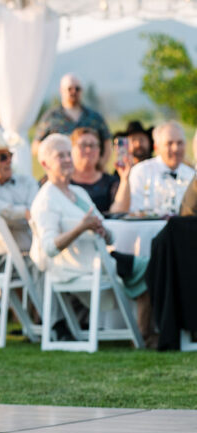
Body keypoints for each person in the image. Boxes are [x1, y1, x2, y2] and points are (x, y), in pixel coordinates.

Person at [30, 133, 152, 344]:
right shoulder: (46, 199)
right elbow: (49, 247)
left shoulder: (78, 193)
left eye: (69, 154)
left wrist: (102, 231)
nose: (68, 159)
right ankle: (144, 335)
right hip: (76, 268)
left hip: (102, 260)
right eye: (61, 156)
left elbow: (109, 234)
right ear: (45, 163)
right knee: (150, 268)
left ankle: (144, 333)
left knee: (153, 266)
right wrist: (81, 228)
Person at [113, 121, 195, 214]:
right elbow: (133, 211)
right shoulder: (141, 172)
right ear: (156, 147)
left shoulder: (192, 174)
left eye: (180, 143)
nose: (175, 148)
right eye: (169, 143)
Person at [33, 73, 110, 165]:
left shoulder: (95, 117)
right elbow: (36, 146)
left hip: (88, 172)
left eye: (77, 89)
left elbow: (107, 144)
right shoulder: (51, 117)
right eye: (70, 89)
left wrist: (100, 166)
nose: (74, 91)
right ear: (61, 90)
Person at [70, 126, 125, 214]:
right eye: (83, 145)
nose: (88, 150)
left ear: (99, 150)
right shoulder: (62, 182)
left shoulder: (111, 183)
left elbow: (119, 212)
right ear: (71, 149)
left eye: (92, 145)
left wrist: (125, 178)